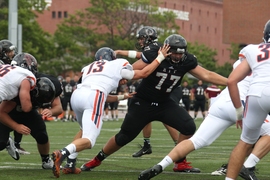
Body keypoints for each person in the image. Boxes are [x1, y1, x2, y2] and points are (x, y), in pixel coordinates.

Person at [79, 34, 227, 175]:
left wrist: (230, 82)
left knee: (188, 127)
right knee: (124, 136)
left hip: (164, 102)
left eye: (180, 54)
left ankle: (180, 161)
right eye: (174, 53)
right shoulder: (154, 54)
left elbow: (207, 75)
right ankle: (97, 159)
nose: (177, 56)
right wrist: (120, 78)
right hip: (143, 102)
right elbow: (134, 69)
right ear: (167, 49)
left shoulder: (187, 60)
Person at [51, 44, 171, 178]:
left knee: (82, 129)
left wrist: (121, 96)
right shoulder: (117, 64)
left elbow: (101, 91)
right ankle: (62, 153)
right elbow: (143, 73)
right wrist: (160, 58)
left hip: (77, 95)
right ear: (112, 57)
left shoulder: (88, 68)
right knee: (89, 139)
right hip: (93, 95)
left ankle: (70, 165)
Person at [115, 26, 180, 159]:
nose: (139, 42)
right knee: (145, 111)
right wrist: (121, 52)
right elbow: (140, 55)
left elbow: (138, 66)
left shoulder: (152, 48)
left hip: (169, 87)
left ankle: (180, 149)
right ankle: (147, 145)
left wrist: (120, 75)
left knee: (166, 117)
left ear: (147, 38)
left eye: (141, 39)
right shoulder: (154, 48)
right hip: (162, 85)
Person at [0, 52, 62, 169]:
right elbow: (2, 112)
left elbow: (58, 107)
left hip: (29, 113)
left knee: (41, 135)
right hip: (9, 113)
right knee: (1, 143)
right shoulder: (16, 85)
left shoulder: (46, 82)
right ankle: (7, 141)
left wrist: (51, 111)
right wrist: (16, 126)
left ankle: (45, 160)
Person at [225, 20, 270, 180]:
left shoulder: (253, 49)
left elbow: (231, 81)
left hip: (255, 95)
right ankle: (248, 165)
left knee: (245, 142)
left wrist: (239, 111)